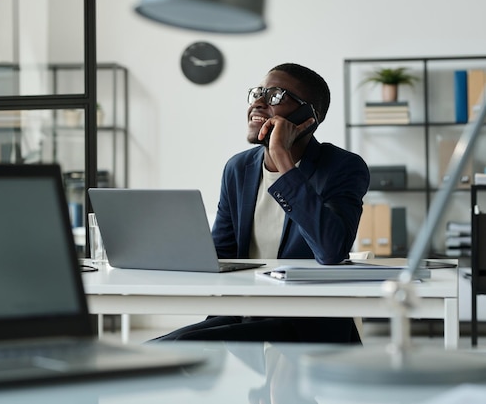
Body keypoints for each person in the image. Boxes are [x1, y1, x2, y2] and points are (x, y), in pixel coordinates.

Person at [152, 63, 370, 344]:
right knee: (153, 352)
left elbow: (330, 250)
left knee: (176, 350)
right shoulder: (238, 168)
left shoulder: (343, 167)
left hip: (306, 322)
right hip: (244, 313)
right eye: (258, 93)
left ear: (307, 117)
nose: (258, 102)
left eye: (275, 95)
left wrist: (282, 158)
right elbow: (223, 253)